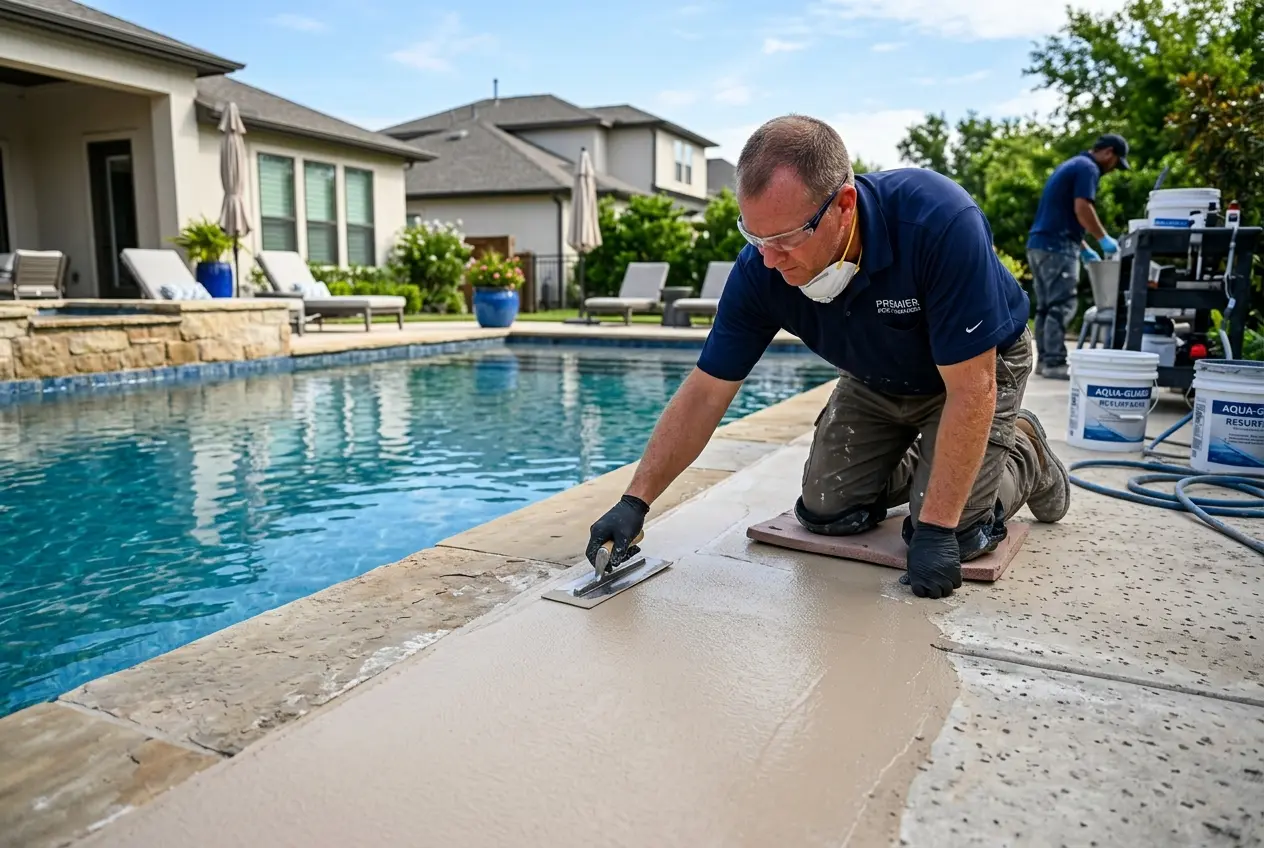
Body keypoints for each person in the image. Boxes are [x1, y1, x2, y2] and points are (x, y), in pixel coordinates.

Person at [585, 114, 1072, 600]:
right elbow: (707, 392)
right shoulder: (761, 269)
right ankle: (929, 459)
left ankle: (1024, 450)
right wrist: (636, 500)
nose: (769, 260)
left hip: (973, 372)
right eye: (756, 238)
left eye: (785, 239)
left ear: (844, 204)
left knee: (956, 535)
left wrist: (939, 529)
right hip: (875, 378)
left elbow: (973, 388)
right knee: (826, 512)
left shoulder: (938, 221)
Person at [1026, 134, 1131, 379]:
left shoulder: (1072, 164)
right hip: (1057, 247)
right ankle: (1054, 362)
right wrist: (1104, 238)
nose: (1113, 168)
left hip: (1040, 245)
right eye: (1115, 161)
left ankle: (1044, 361)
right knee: (1061, 305)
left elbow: (1064, 216)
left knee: (1046, 307)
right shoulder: (1088, 168)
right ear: (1108, 153)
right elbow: (1082, 207)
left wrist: (1083, 247)